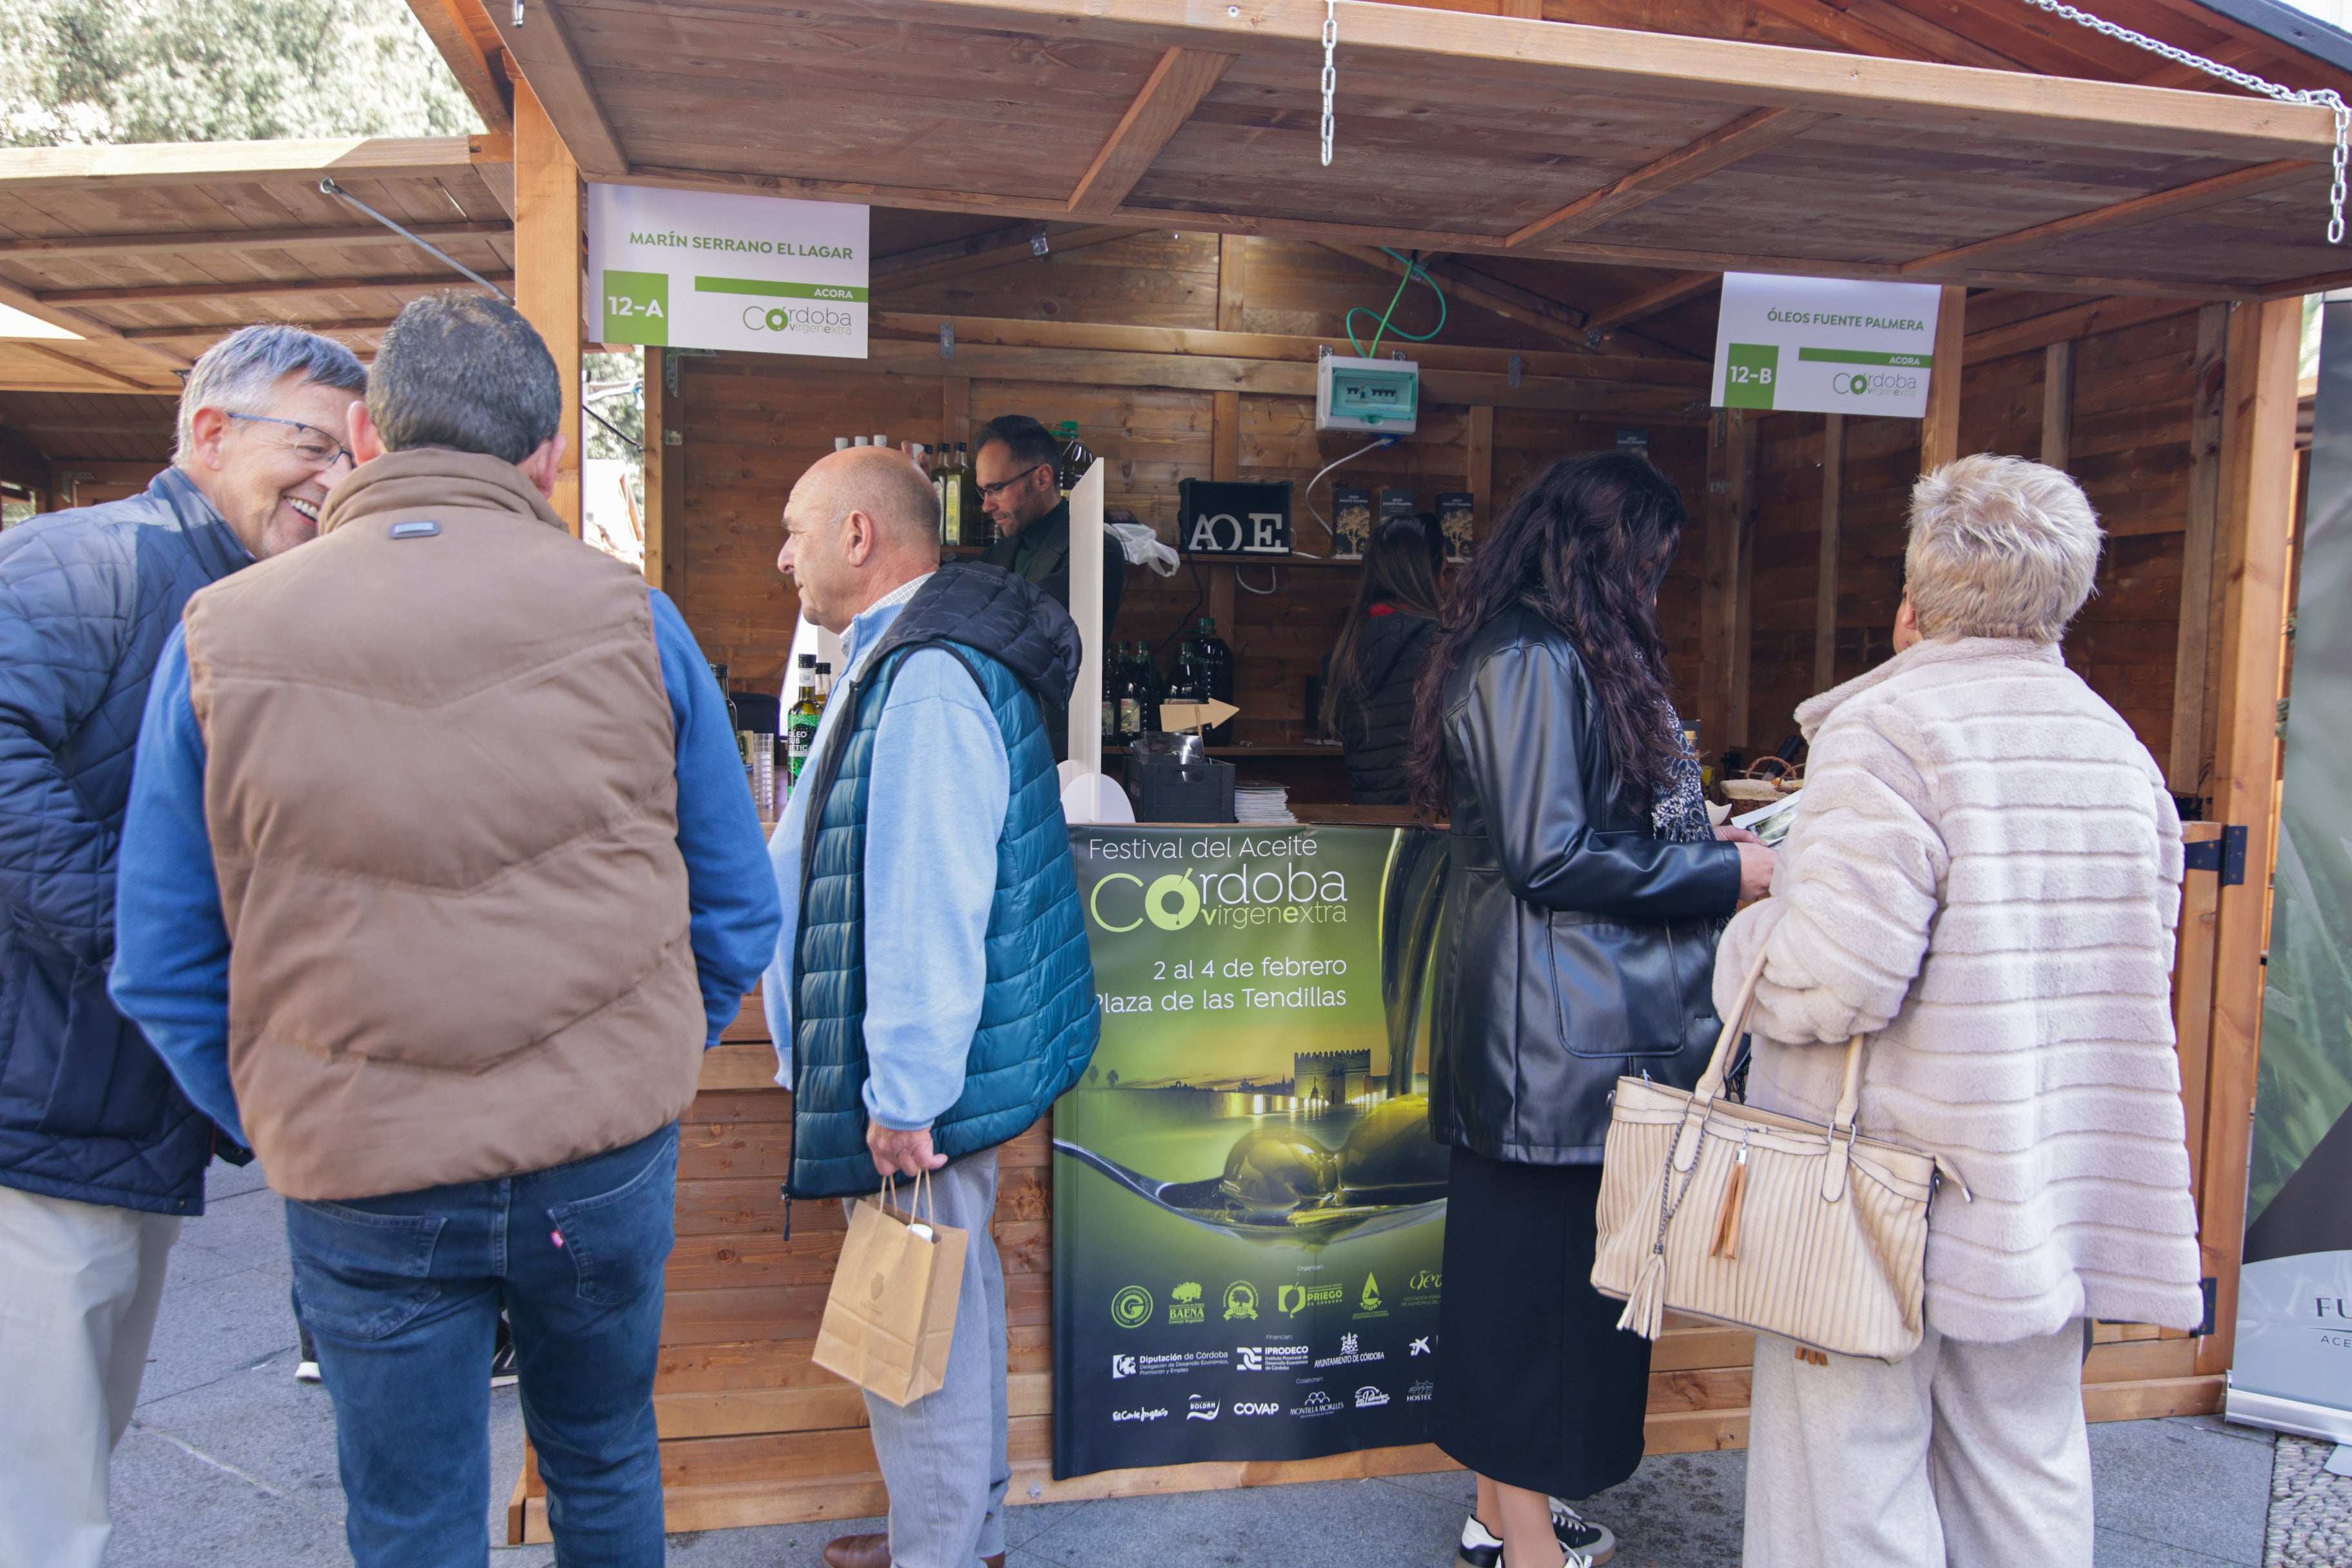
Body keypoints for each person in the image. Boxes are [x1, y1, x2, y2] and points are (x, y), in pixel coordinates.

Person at [108, 292, 781, 1568]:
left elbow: (161, 957)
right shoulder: (635, 619)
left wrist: (281, 1109)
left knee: (411, 1514)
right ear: (547, 457)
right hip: (601, 1151)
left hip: (358, 1165)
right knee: (604, 1459)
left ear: (365, 432)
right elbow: (739, 902)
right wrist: (643, 1062)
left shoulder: (222, 635)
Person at [1716, 455, 2202, 1568]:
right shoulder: (2117, 750)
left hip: (1886, 1182)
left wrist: (1744, 936)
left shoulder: (1887, 730)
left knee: (1844, 1474)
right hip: (2045, 1179)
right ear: (2064, 593)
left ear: (1913, 600)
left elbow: (1834, 979)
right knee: (2024, 1465)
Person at [0, 324, 365, 1568]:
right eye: (306, 441)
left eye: (350, 451)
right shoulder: (86, 561)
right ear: (208, 433)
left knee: (74, 1458)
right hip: (31, 1123)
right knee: (38, 1499)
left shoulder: (260, 602)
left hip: (119, 1122)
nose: (329, 474)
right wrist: (145, 937)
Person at [1409, 452, 1774, 1568]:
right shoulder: (1529, 655)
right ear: (1600, 553)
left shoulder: (1542, 646)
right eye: (1647, 560)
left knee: (1529, 1304)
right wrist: (1725, 874)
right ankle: (1526, 1544)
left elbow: (1566, 837)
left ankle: (1502, 1511)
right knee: (1533, 1318)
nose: (1654, 584)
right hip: (1549, 1048)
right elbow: (1549, 852)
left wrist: (1693, 843)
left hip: (1564, 1041)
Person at [763, 445, 1099, 1568]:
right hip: (919, 1075)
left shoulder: (927, 674)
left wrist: (902, 1090)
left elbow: (923, 894)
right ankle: (955, 1534)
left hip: (916, 1086)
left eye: (796, 530)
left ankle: (942, 1553)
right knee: (942, 1305)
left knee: (921, 1330)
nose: (782, 557)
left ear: (859, 536)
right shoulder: (894, 657)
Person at [1320, 509, 1444, 803]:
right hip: (1436, 825)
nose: (1446, 584)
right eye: (1445, 572)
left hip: (1375, 827)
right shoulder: (1442, 646)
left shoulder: (1346, 651)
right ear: (1426, 576)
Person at [974, 413, 1124, 636]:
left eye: (996, 489)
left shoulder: (1098, 552)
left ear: (1042, 479)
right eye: (984, 491)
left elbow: (1020, 622)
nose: (986, 506)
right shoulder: (995, 555)